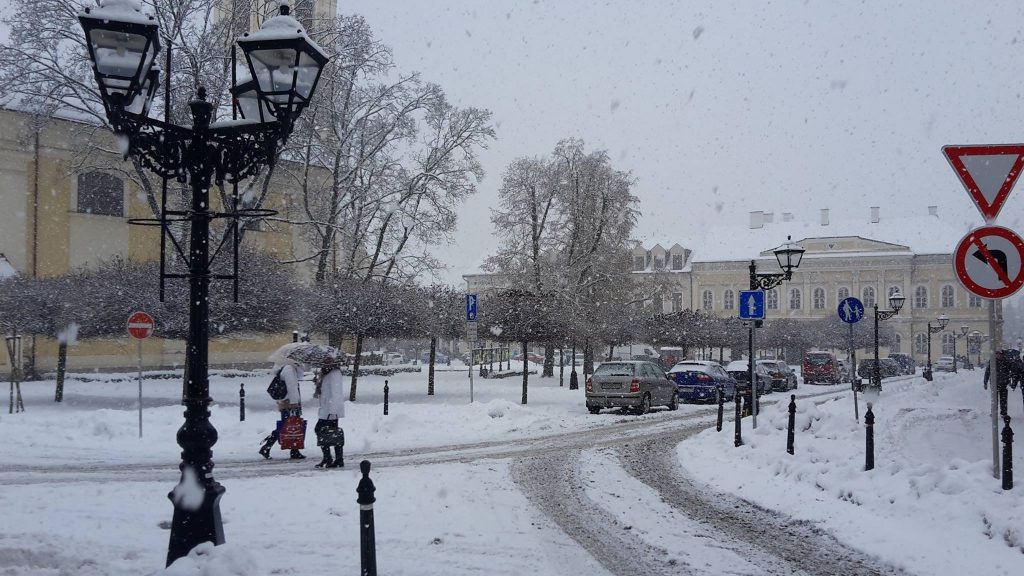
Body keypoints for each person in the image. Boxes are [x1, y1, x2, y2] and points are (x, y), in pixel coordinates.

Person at [259, 360, 306, 459]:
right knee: (287, 426)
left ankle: (293, 450)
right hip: (289, 403)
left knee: (289, 426)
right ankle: (267, 447)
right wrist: (294, 403)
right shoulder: (289, 369)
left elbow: (296, 381)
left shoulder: (289, 368)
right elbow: (292, 387)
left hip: (288, 402)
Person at [312, 360, 346, 468]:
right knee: (331, 434)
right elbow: (325, 390)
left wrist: (333, 411)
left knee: (324, 432)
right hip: (326, 409)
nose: (323, 363)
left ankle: (331, 458)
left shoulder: (335, 373)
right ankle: (334, 459)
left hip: (330, 411)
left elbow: (336, 393)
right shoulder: (326, 373)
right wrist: (318, 383)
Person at [983, 349, 1018, 417]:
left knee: (1003, 400)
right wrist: (985, 382)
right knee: (994, 400)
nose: (999, 355)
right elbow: (987, 372)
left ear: (1003, 355)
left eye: (1000, 354)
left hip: (1004, 384)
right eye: (997, 354)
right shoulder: (992, 362)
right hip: (994, 384)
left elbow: (1013, 371)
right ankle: (994, 412)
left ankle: (1004, 413)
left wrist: (1010, 378)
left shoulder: (1006, 361)